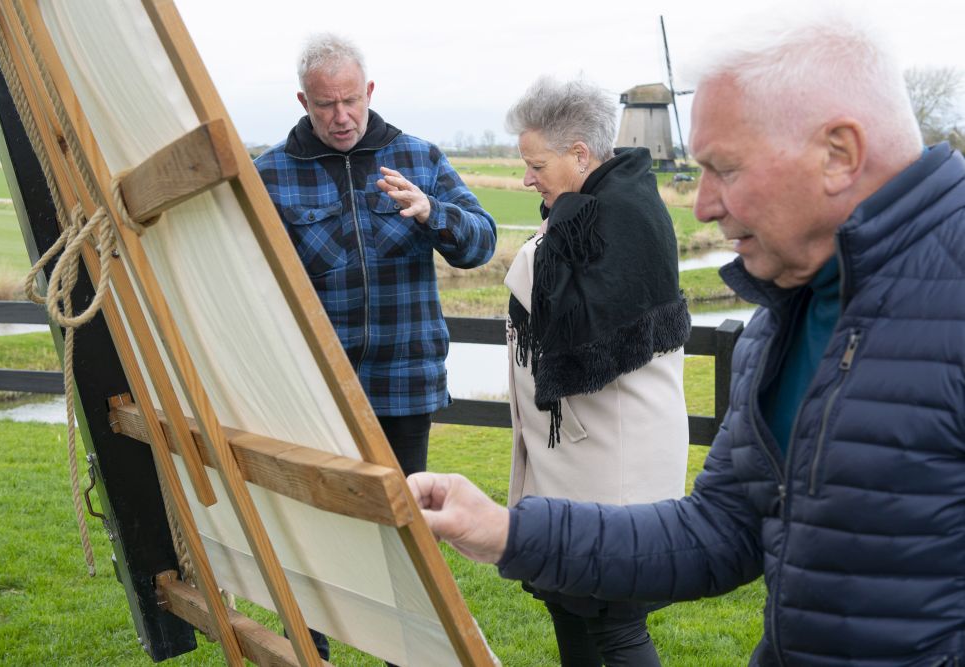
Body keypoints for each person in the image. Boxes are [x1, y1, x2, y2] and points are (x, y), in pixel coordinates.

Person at [408, 10, 965, 665]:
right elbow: (719, 529)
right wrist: (503, 528)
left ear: (838, 153)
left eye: (724, 168)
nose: (701, 204)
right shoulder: (780, 318)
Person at [255, 33, 496, 662]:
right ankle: (311, 654)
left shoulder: (419, 157)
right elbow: (248, 278)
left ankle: (403, 654)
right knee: (313, 531)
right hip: (315, 392)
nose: (340, 118)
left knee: (403, 535)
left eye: (350, 102)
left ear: (370, 92)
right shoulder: (269, 172)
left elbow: (481, 243)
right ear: (303, 100)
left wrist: (431, 212)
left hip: (403, 384)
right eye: (325, 105)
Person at [503, 76, 690, 666]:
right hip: (578, 460)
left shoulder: (613, 219)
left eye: (536, 165)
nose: (526, 179)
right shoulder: (596, 210)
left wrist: (539, 248)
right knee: (570, 604)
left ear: (580, 154)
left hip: (613, 463)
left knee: (614, 619)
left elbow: (585, 329)